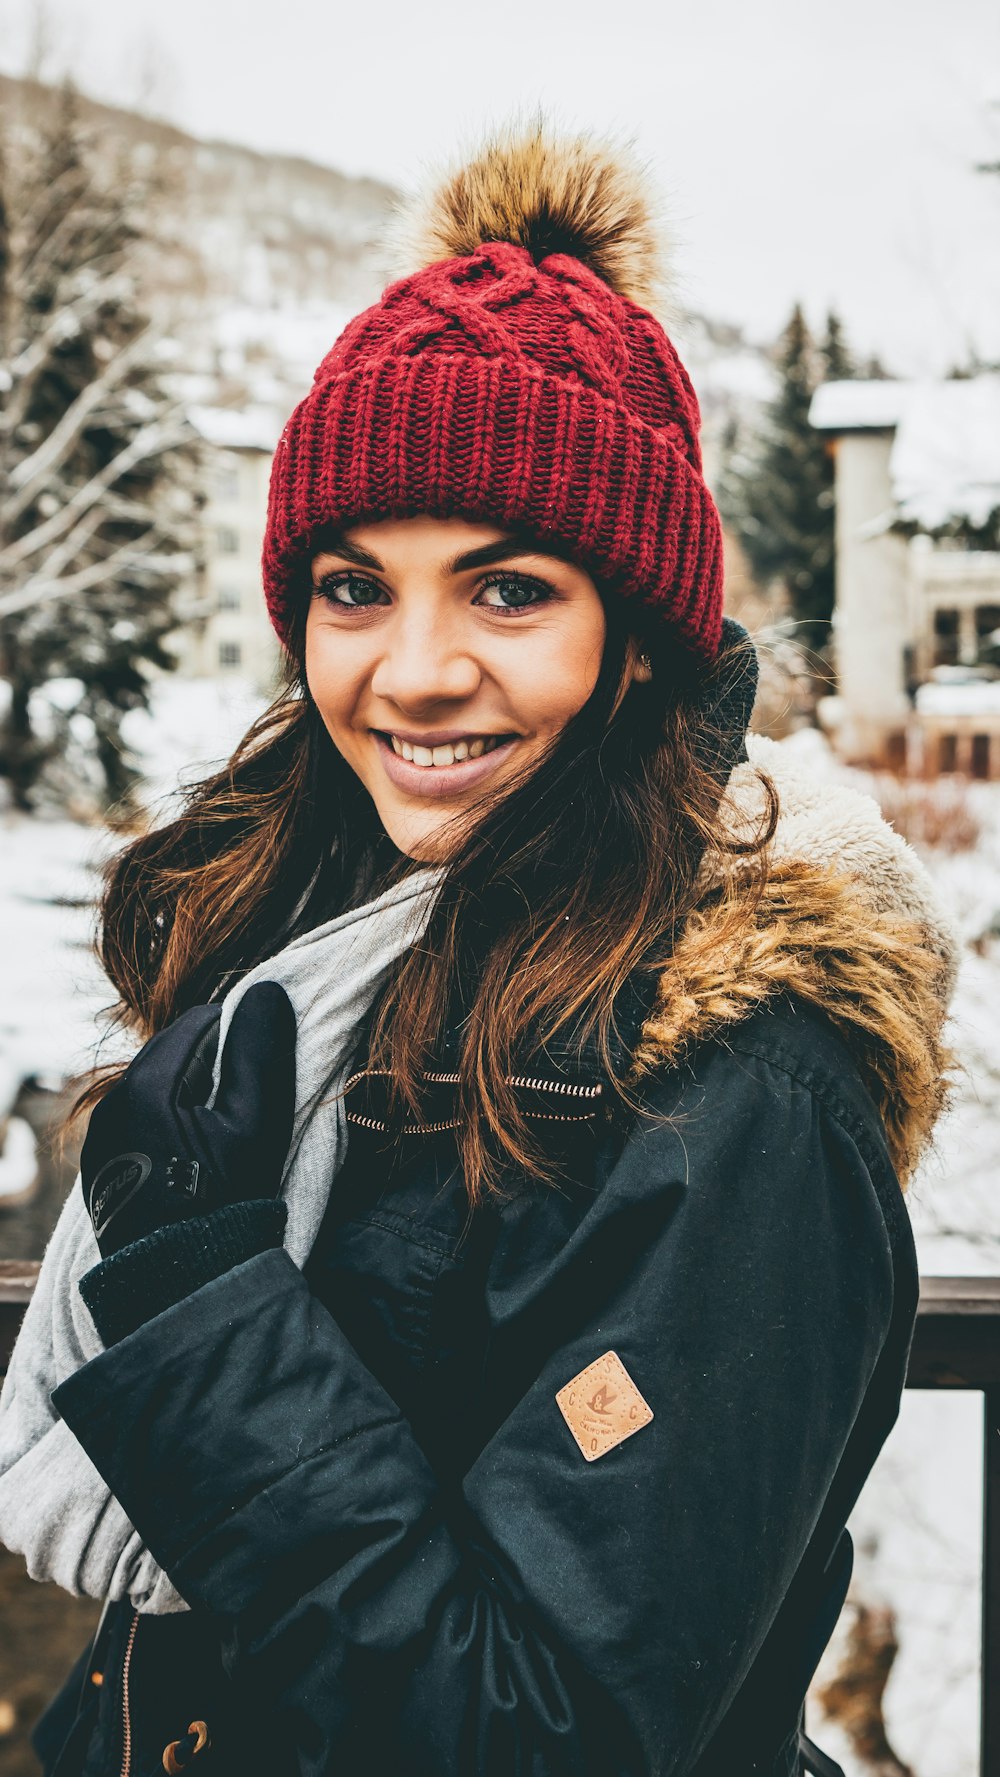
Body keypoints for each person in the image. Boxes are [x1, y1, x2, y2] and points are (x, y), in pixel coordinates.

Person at [0, 125, 957, 1777]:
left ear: (642, 643)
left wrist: (207, 1313)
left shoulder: (745, 1087)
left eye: (507, 589)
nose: (413, 671)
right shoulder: (333, 943)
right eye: (356, 586)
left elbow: (545, 1736)